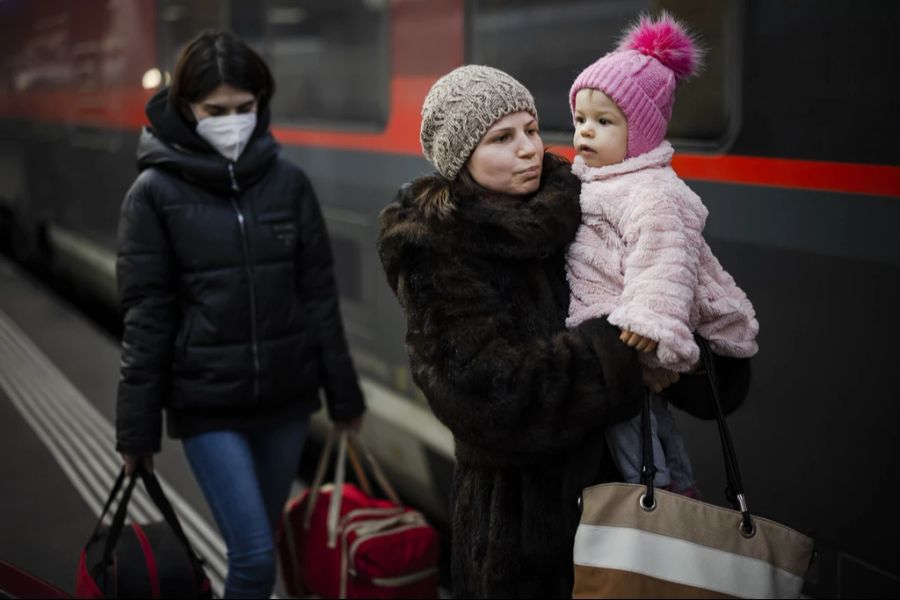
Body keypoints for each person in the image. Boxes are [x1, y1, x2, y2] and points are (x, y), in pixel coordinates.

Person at [377, 64, 752, 598]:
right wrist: (626, 354)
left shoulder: (589, 205)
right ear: (461, 158)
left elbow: (685, 321)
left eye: (531, 129)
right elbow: (490, 395)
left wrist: (686, 355)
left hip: (628, 502)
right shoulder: (439, 252)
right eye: (502, 138)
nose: (529, 148)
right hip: (521, 540)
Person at [114, 31, 365, 599]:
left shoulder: (289, 185)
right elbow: (146, 316)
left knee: (264, 542)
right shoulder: (153, 194)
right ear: (186, 110)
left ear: (261, 104)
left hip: (286, 399)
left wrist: (343, 397)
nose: (232, 120)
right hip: (207, 405)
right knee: (253, 557)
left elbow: (320, 297)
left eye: (244, 108)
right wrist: (137, 429)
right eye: (215, 111)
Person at [565, 12, 759, 496]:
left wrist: (650, 319)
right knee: (653, 433)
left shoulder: (653, 194)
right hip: (620, 343)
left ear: (641, 132)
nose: (585, 132)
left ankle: (657, 512)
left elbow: (663, 261)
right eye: (580, 119)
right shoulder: (597, 179)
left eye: (603, 122)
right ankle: (673, 493)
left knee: (637, 446)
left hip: (638, 334)